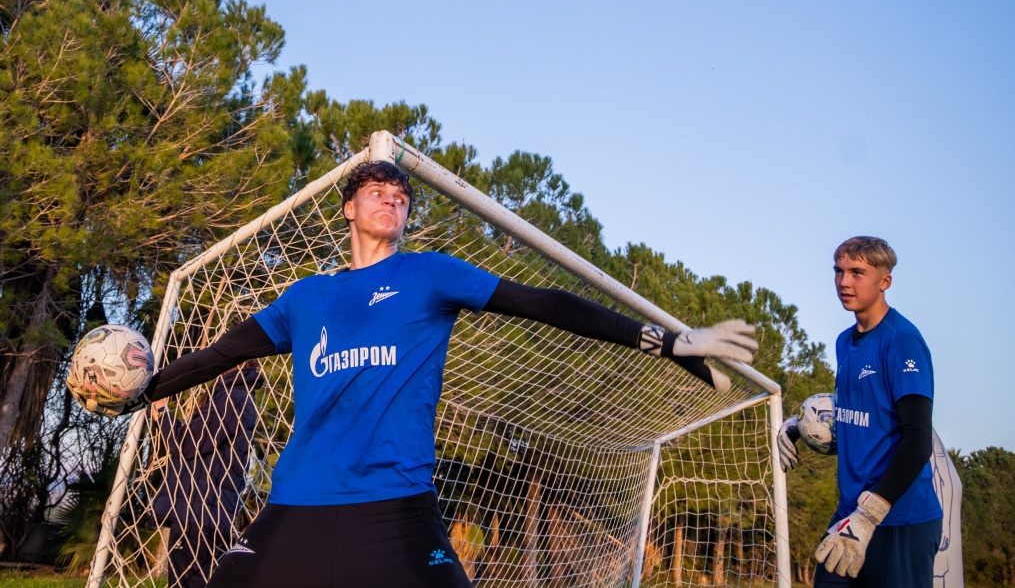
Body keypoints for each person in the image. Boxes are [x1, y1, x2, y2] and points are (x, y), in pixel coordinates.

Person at [125, 160, 759, 587]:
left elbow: (543, 303)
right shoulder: (305, 298)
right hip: (298, 501)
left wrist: (665, 339)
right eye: (379, 193)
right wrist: (145, 390)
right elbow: (218, 356)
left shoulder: (429, 275)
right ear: (348, 208)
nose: (393, 203)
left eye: (402, 199)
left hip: (396, 509)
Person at [777, 236, 942, 587]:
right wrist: (797, 424)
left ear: (885, 281)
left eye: (857, 272)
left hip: (899, 518)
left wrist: (868, 517)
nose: (843, 282)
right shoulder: (843, 341)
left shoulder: (901, 341)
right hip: (849, 513)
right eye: (838, 271)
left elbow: (917, 440)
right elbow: (853, 416)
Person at [150, 361, 263, 588]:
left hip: (199, 511)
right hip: (204, 510)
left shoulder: (232, 398)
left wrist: (162, 414)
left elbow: (188, 443)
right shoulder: (233, 397)